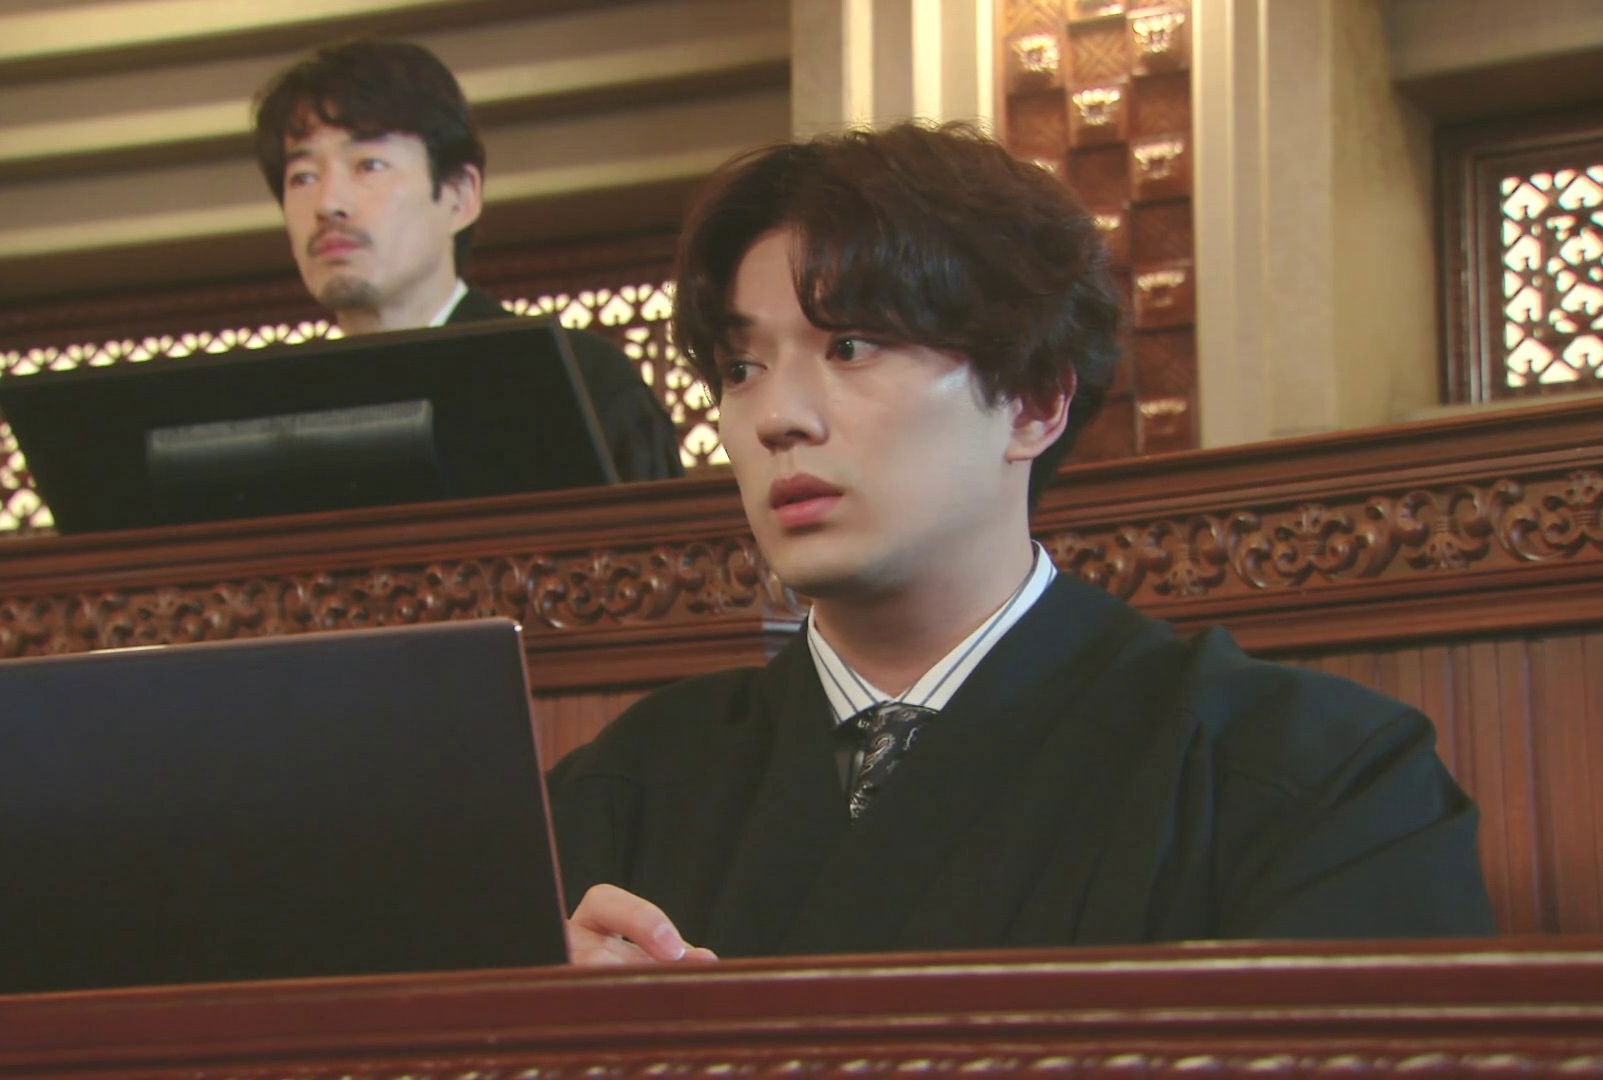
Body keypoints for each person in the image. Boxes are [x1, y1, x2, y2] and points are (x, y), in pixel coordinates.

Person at [548, 121, 1495, 966]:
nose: (775, 418)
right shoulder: (617, 794)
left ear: (1035, 402)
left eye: (849, 346)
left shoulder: (1312, 773)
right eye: (740, 367)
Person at [251, 40, 682, 481]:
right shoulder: (268, 415)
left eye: (369, 166)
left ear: (459, 197)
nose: (328, 204)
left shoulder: (578, 383)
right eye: (303, 176)